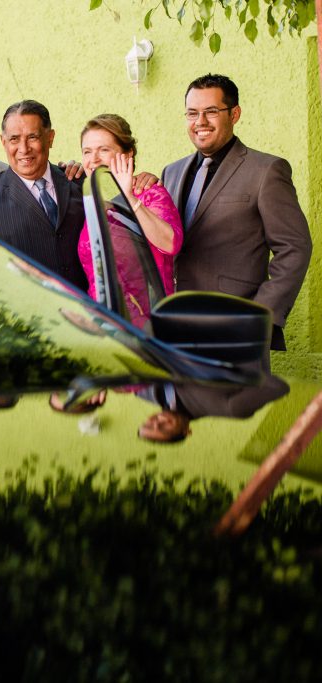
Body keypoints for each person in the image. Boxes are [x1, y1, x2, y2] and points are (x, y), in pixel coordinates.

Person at [140, 73, 312, 442]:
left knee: (232, 436)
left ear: (234, 114)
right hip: (173, 332)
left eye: (210, 111)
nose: (199, 122)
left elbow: (294, 247)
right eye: (191, 113)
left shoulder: (267, 170)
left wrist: (259, 317)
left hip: (233, 333)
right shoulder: (171, 172)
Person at [0, 100, 88, 292]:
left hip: (91, 314)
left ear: (50, 138)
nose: (24, 148)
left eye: (33, 137)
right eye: (14, 139)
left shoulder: (78, 182)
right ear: (3, 142)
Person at [77, 114, 183, 328]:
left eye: (104, 150)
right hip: (104, 326)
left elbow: (171, 243)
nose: (94, 159)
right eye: (87, 151)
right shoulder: (93, 202)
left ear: (128, 154)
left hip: (148, 327)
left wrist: (131, 199)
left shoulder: (149, 193)